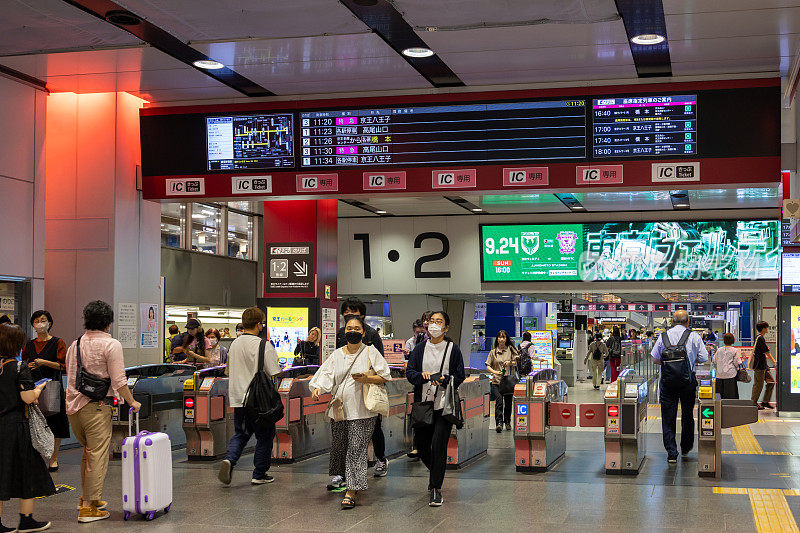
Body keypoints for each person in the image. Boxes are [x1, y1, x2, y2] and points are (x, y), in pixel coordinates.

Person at [65, 300, 141, 523]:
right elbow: (119, 381)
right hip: (96, 407)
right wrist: (132, 401)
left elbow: (71, 376)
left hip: (74, 408)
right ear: (108, 322)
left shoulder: (75, 344)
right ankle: (88, 508)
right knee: (97, 455)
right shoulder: (112, 345)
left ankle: (88, 498)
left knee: (88, 453)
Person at [310, 315, 390, 509]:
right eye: (349, 328)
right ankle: (346, 480)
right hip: (340, 410)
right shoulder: (337, 354)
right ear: (344, 332)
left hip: (363, 411)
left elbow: (385, 376)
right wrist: (317, 388)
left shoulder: (371, 352)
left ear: (363, 332)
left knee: (356, 450)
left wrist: (367, 378)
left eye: (356, 328)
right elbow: (325, 375)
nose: (352, 331)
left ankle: (352, 491)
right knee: (341, 447)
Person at [406, 311, 465, 507]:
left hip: (444, 405)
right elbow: (410, 372)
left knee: (439, 445)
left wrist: (446, 379)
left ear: (446, 327)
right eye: (432, 321)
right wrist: (421, 376)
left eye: (439, 322)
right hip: (423, 403)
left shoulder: (452, 349)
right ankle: (436, 472)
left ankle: (435, 488)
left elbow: (460, 375)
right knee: (422, 446)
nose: (434, 325)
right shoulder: (420, 349)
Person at [218, 307, 282, 486]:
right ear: (258, 324)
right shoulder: (263, 345)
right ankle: (259, 473)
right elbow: (274, 371)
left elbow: (228, 370)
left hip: (238, 398)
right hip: (259, 400)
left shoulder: (234, 344)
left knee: (241, 433)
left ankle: (230, 459)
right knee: (265, 435)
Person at [0, 324, 54, 533]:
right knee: (27, 472)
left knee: (2, 472)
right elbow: (27, 397)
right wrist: (39, 388)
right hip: (16, 427)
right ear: (18, 344)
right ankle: (26, 520)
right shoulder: (20, 367)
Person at [335, 297, 388, 478]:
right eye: (346, 313)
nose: (349, 317)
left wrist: (369, 377)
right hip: (346, 389)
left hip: (367, 388)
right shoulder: (341, 333)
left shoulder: (371, 335)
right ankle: (346, 471)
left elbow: (380, 364)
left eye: (353, 314)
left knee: (374, 426)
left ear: (362, 316)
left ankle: (380, 458)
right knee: (344, 431)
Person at [651, 310, 708, 463]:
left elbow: (655, 359)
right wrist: (690, 358)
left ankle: (671, 452)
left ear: (672, 321)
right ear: (688, 322)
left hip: (667, 382)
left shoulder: (663, 336)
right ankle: (686, 447)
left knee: (668, 417)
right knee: (688, 414)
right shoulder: (694, 336)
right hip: (687, 382)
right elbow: (704, 357)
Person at [21, 310, 69, 472]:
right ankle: (37, 458)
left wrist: (44, 362)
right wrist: (29, 366)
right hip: (32, 386)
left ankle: (53, 458)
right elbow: (24, 364)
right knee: (34, 422)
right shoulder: (28, 344)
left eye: (43, 320)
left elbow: (63, 365)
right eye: (36, 321)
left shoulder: (58, 342)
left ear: (49, 323)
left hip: (52, 386)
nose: (40, 323)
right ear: (33, 325)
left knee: (55, 422)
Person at [485, 330, 518, 433]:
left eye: (503, 337)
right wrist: (495, 372)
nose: (501, 339)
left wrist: (510, 363)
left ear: (506, 339)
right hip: (497, 381)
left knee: (508, 403)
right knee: (499, 402)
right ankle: (499, 423)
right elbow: (487, 366)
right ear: (497, 339)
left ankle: (507, 422)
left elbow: (517, 362)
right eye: (499, 337)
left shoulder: (511, 349)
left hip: (508, 381)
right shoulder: (493, 352)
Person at [750, 321, 776, 410]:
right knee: (758, 385)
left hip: (764, 366)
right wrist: (774, 361)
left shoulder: (760, 338)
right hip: (759, 366)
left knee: (771, 382)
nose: (767, 329)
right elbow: (766, 351)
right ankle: (753, 403)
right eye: (767, 327)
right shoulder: (760, 338)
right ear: (763, 328)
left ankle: (765, 402)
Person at [714, 333, 742, 400]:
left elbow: (714, 361)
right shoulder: (734, 350)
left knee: (719, 396)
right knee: (730, 395)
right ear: (733, 340)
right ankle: (730, 409)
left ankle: (719, 408)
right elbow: (737, 362)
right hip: (730, 375)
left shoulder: (719, 350)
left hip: (719, 375)